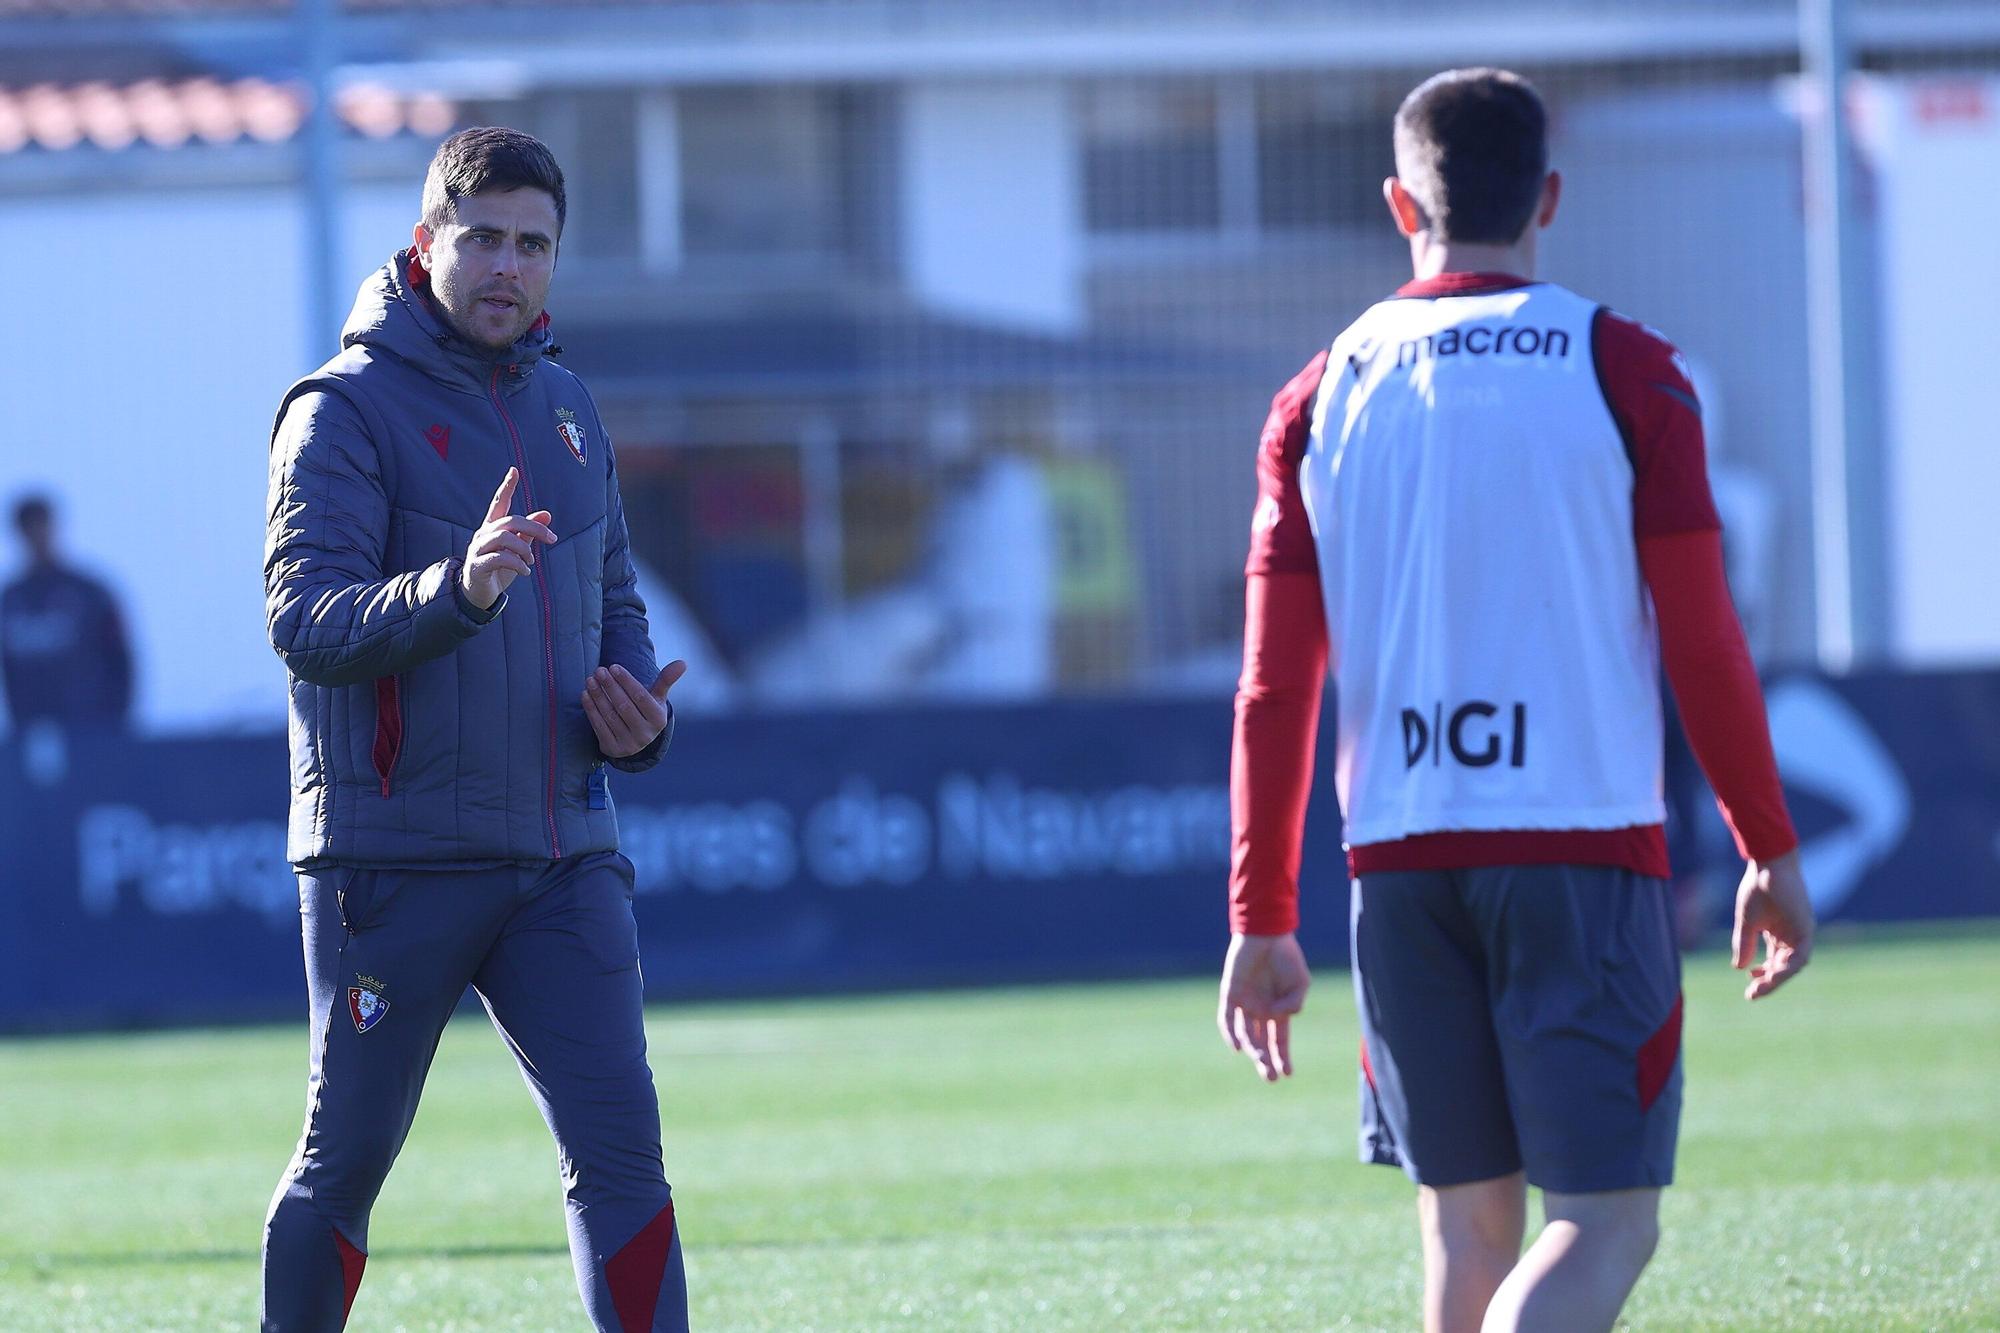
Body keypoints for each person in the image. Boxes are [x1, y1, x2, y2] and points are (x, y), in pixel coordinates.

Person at [1216, 69, 1815, 1333]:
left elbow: (1275, 684)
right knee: (1602, 1220)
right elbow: (1703, 639)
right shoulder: (1625, 367)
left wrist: (1260, 911)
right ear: (1548, 197)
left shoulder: (1319, 395)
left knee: (1462, 1228)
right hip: (1579, 846)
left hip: (1395, 860)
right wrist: (1764, 840)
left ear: (1397, 204)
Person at [260, 127, 689, 1332]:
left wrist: (634, 718)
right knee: (343, 1169)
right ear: (425, 243)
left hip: (563, 854)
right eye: (484, 238)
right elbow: (303, 620)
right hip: (394, 862)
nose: (508, 267)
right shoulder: (339, 412)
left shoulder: (566, 408)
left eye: (533, 245)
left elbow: (614, 606)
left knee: (626, 1165)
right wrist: (457, 591)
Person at [1, 493, 134, 736]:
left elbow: (121, 659)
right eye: (29, 527)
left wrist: (117, 722)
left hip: (94, 729)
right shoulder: (11, 601)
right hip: (34, 736)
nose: (37, 535)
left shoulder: (90, 593)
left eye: (42, 525)